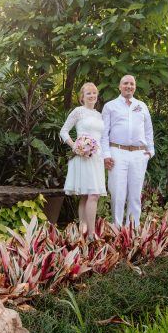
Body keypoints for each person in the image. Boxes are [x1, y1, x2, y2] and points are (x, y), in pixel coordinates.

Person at [100, 74, 154, 227]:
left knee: (135, 194)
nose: (129, 86)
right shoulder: (110, 106)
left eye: (131, 84)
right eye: (125, 83)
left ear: (135, 87)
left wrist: (150, 152)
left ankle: (133, 229)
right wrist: (106, 155)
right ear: (119, 86)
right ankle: (117, 228)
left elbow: (149, 130)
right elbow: (104, 133)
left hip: (139, 154)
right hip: (117, 152)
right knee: (117, 194)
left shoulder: (142, 106)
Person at [59, 82, 106, 239]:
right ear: (82, 97)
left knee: (88, 196)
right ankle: (91, 235)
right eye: (88, 93)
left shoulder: (99, 115)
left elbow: (102, 138)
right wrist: (75, 147)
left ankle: (82, 233)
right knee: (92, 195)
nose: (92, 96)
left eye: (94, 93)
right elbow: (64, 131)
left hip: (96, 159)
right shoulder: (78, 112)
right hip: (82, 158)